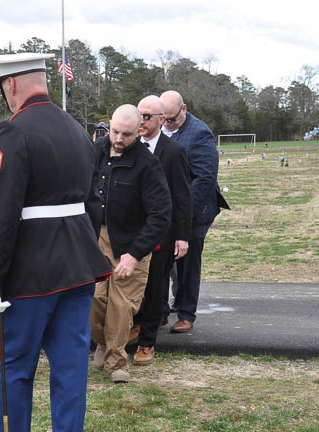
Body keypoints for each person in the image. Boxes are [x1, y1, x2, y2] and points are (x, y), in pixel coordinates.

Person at [0, 52, 110, 432]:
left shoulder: (14, 132)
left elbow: (2, 212)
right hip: (77, 271)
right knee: (70, 373)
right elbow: (93, 204)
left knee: (12, 369)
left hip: (28, 275)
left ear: (10, 85)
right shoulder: (77, 130)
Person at [90, 104, 170, 382]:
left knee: (121, 306)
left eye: (126, 134)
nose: (118, 139)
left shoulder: (148, 164)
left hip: (132, 243)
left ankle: (116, 362)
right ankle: (102, 342)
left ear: (139, 132)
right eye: (115, 131)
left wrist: (135, 254)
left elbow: (161, 215)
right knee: (95, 299)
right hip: (97, 237)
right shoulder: (95, 152)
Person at [159, 90, 229, 334]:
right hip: (165, 209)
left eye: (171, 119)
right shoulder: (158, 129)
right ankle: (160, 310)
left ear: (184, 109)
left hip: (196, 209)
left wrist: (182, 215)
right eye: (162, 119)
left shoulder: (199, 133)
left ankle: (186, 313)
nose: (166, 123)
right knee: (162, 260)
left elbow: (204, 179)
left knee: (187, 262)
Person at [130, 95, 192, 364]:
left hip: (162, 233)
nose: (141, 121)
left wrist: (182, 236)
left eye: (146, 117)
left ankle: (147, 341)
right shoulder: (129, 147)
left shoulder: (174, 152)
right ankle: (134, 325)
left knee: (156, 285)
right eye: (138, 115)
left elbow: (182, 197)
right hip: (132, 231)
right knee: (131, 283)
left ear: (161, 120)